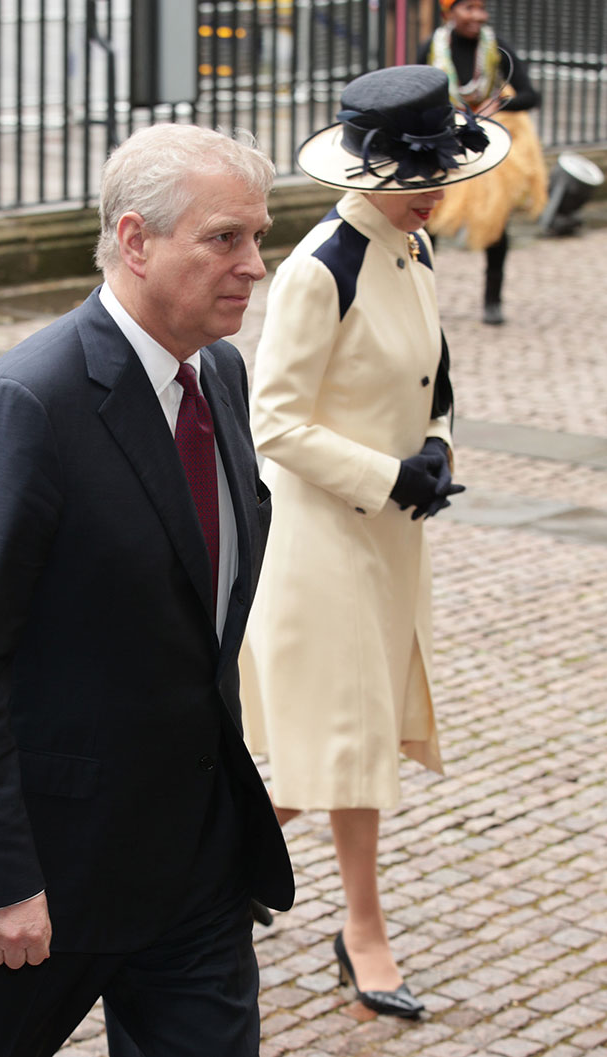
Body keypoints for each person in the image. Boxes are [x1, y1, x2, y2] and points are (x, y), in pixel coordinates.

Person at [0, 122, 294, 1057]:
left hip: (195, 862)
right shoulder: (28, 404)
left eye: (258, 236)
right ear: (134, 240)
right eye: (225, 238)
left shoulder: (223, 375)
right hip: (47, 869)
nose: (256, 264)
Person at [241, 65, 510, 1018]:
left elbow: (432, 384)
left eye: (441, 172)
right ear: (371, 167)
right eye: (415, 175)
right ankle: (358, 930)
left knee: (350, 742)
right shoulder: (323, 265)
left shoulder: (414, 248)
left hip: (391, 537)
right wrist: (388, 474)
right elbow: (271, 423)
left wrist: (434, 451)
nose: (434, 193)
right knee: (344, 739)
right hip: (320, 540)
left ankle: (215, 873)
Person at [418, 0, 547, 324]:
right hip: (445, 143)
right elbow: (415, 92)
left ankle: (493, 301)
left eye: (481, 8)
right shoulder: (432, 49)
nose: (477, 16)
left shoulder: (496, 48)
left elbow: (532, 95)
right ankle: (420, 298)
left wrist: (497, 104)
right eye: (468, 8)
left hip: (485, 146)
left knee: (494, 223)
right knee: (428, 224)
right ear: (449, 13)